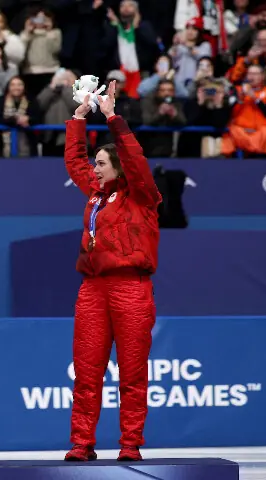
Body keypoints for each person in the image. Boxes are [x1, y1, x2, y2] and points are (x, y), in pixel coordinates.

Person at [63, 80, 162, 462]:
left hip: (131, 289)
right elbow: (74, 162)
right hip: (92, 288)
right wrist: (78, 117)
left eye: (101, 163)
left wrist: (112, 118)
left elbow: (134, 158)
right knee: (87, 371)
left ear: (118, 167)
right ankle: (81, 443)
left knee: (133, 373)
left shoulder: (142, 194)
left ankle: (129, 445)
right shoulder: (95, 193)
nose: (94, 168)